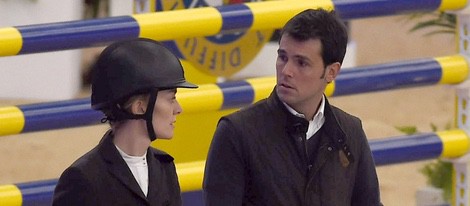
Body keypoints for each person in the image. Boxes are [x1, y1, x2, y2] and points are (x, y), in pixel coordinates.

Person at [203, 8, 381, 206]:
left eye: (301, 63)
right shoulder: (235, 133)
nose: (286, 71)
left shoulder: (351, 132)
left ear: (331, 72)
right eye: (282, 57)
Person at [52, 38, 197, 206]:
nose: (178, 109)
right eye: (171, 99)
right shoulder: (83, 179)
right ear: (139, 107)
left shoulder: (164, 167)